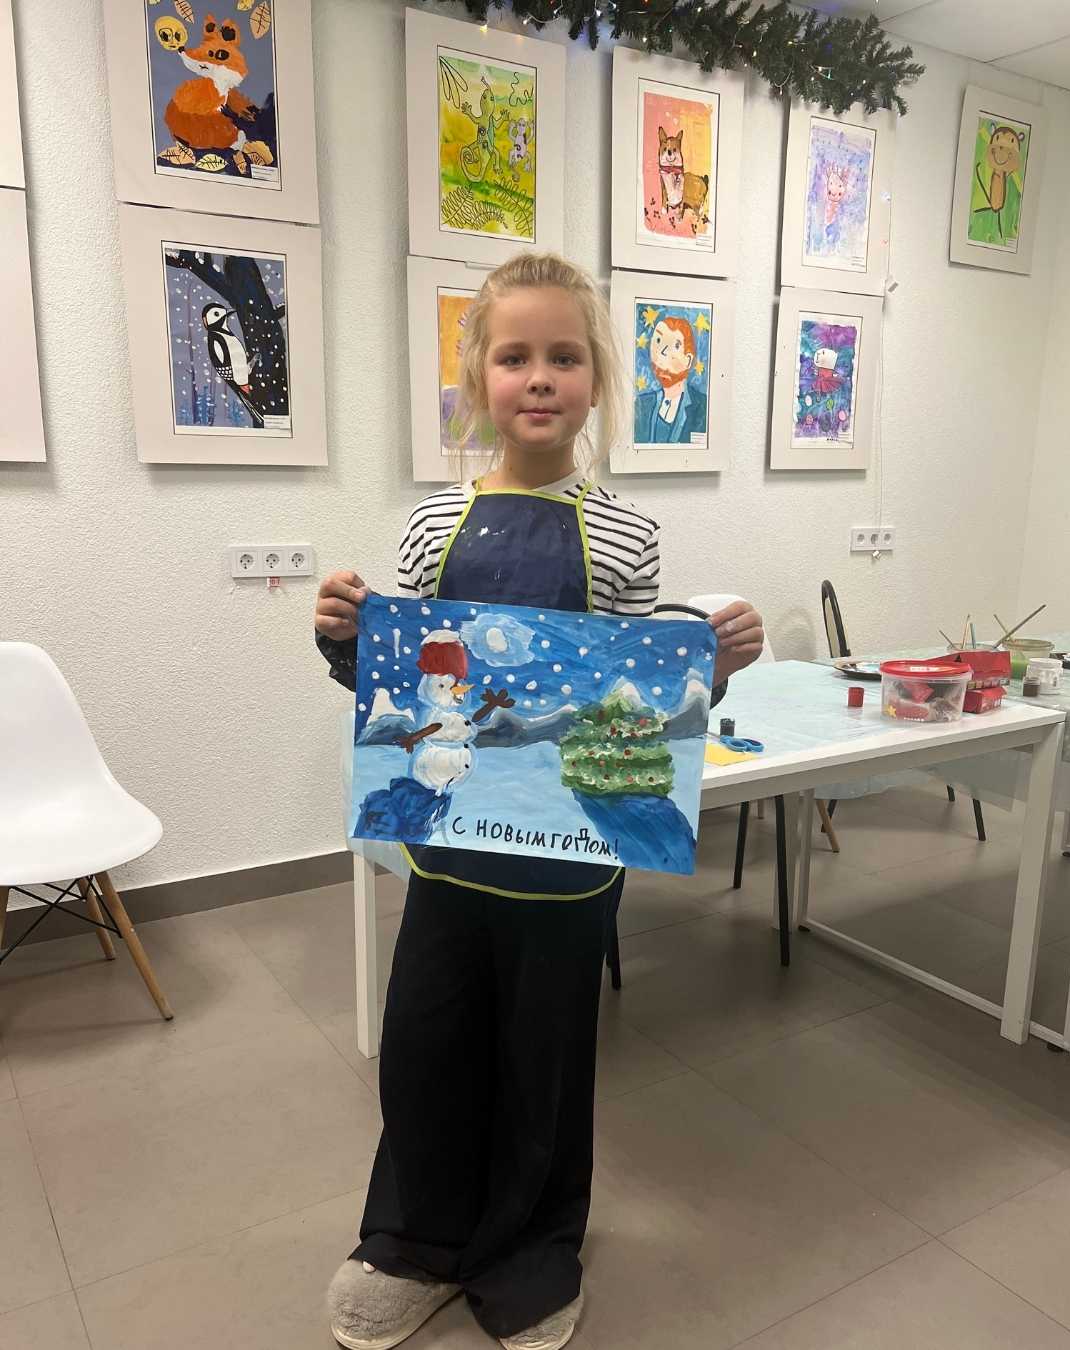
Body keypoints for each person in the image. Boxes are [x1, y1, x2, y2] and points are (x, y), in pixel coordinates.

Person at [314, 253, 764, 1350]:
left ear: (597, 381)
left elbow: (635, 701)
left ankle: (529, 1247)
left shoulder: (627, 536)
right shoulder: (430, 526)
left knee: (545, 1058)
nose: (540, 377)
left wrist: (712, 670)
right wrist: (342, 643)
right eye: (514, 357)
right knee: (427, 1041)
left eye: (565, 356)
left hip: (571, 857)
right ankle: (413, 1239)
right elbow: (413, 680)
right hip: (447, 841)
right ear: (480, 379)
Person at [633, 313, 706, 445]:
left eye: (676, 346)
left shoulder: (702, 407)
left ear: (688, 360)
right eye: (658, 341)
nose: (663, 351)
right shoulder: (641, 405)